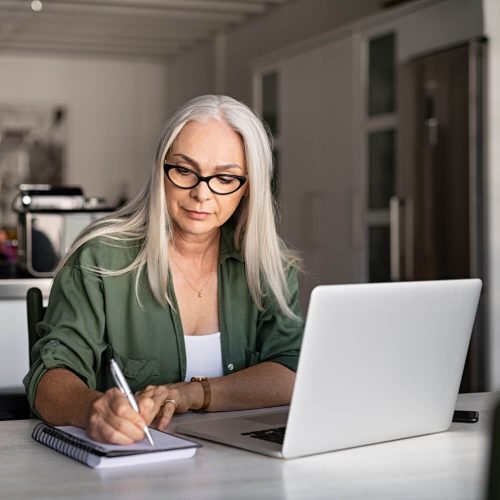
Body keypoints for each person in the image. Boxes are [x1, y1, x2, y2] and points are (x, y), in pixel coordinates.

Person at [24, 95, 304, 445]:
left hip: (244, 461)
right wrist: (91, 408)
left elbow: (292, 372)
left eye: (225, 178)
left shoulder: (268, 263)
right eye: (185, 170)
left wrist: (191, 394)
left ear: (248, 188)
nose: (202, 194)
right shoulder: (99, 257)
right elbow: (49, 376)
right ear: (161, 170)